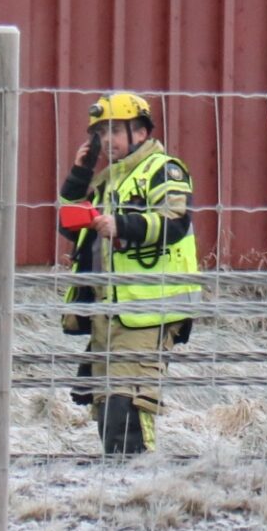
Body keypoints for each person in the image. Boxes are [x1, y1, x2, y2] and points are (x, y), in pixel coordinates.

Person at [57, 92, 199, 458]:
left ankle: (140, 478)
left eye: (115, 131)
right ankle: (120, 480)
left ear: (141, 131)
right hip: (110, 309)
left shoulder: (163, 169)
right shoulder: (110, 179)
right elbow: (68, 225)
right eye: (101, 133)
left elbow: (175, 222)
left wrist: (121, 225)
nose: (107, 141)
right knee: (107, 408)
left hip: (149, 309)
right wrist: (80, 174)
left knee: (130, 407)